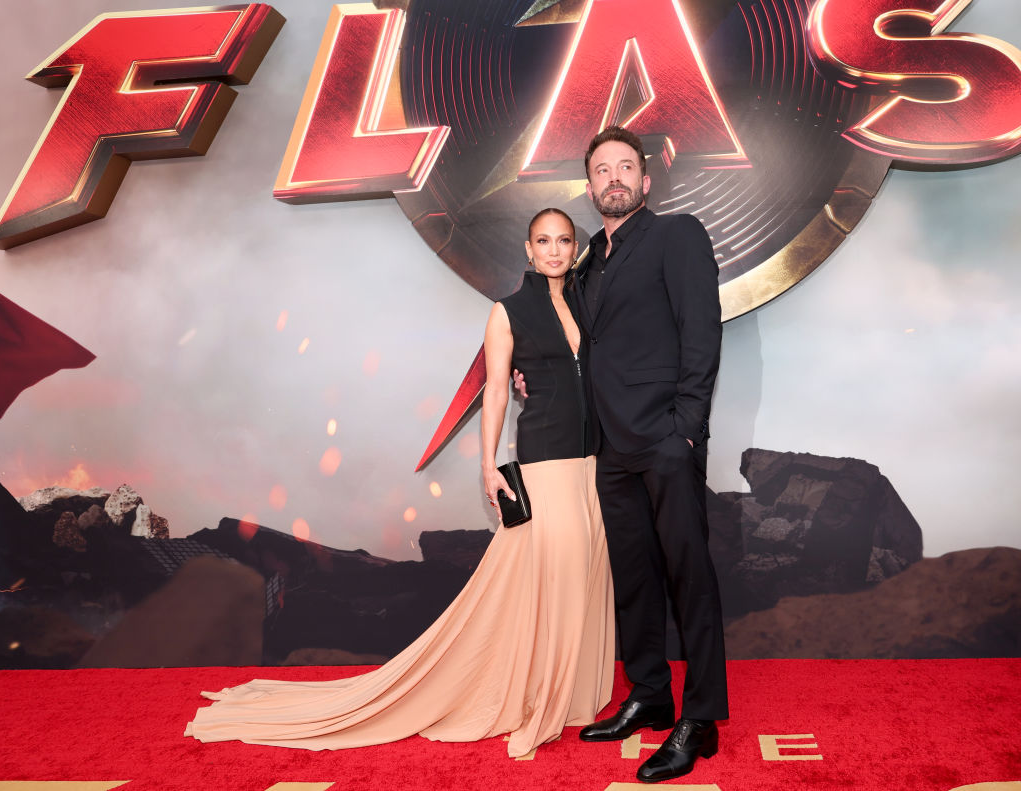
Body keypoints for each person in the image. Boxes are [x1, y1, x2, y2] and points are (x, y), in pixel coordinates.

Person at [184, 208, 614, 759]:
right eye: (543, 241)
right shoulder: (509, 312)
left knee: (579, 575)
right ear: (528, 250)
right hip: (547, 460)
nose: (554, 250)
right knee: (551, 575)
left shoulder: (585, 302)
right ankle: (537, 696)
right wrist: (487, 465)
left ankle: (573, 692)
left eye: (563, 241)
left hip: (591, 463)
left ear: (574, 248)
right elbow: (498, 393)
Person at [515, 126, 727, 782]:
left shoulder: (677, 235)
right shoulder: (587, 267)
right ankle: (650, 693)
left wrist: (685, 430)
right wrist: (533, 374)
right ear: (589, 186)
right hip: (610, 449)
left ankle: (700, 719)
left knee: (688, 576)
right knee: (632, 580)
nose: (614, 178)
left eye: (625, 167)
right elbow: (580, 347)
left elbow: (701, 331)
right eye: (602, 169)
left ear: (645, 179)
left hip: (665, 440)